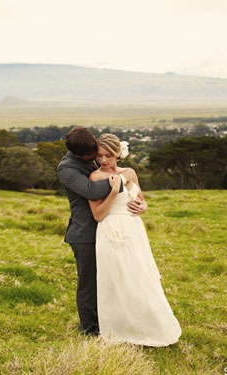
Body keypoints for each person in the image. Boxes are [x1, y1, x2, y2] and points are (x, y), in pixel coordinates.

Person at [89, 133, 181, 346]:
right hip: (112, 232)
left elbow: (141, 200)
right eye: (100, 155)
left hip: (134, 231)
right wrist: (113, 191)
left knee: (141, 278)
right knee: (118, 281)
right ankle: (120, 331)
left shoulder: (130, 172)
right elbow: (98, 215)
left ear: (118, 154)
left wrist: (144, 207)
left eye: (108, 155)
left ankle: (150, 327)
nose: (103, 160)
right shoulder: (95, 178)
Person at [57, 127, 147, 336]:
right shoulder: (67, 168)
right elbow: (91, 190)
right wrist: (124, 179)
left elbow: (135, 195)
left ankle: (116, 325)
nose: (99, 159)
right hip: (85, 233)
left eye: (101, 154)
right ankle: (90, 331)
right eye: (94, 155)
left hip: (112, 231)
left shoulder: (97, 156)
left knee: (116, 281)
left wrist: (142, 204)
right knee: (89, 285)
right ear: (80, 154)